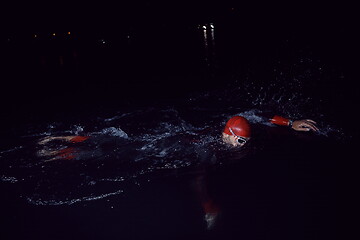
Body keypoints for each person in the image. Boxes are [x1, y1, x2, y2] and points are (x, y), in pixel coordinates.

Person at [222, 115, 319, 147]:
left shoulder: (252, 126)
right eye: (240, 141)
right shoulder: (210, 146)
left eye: (245, 141)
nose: (241, 145)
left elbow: (262, 117)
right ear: (226, 135)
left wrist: (290, 123)